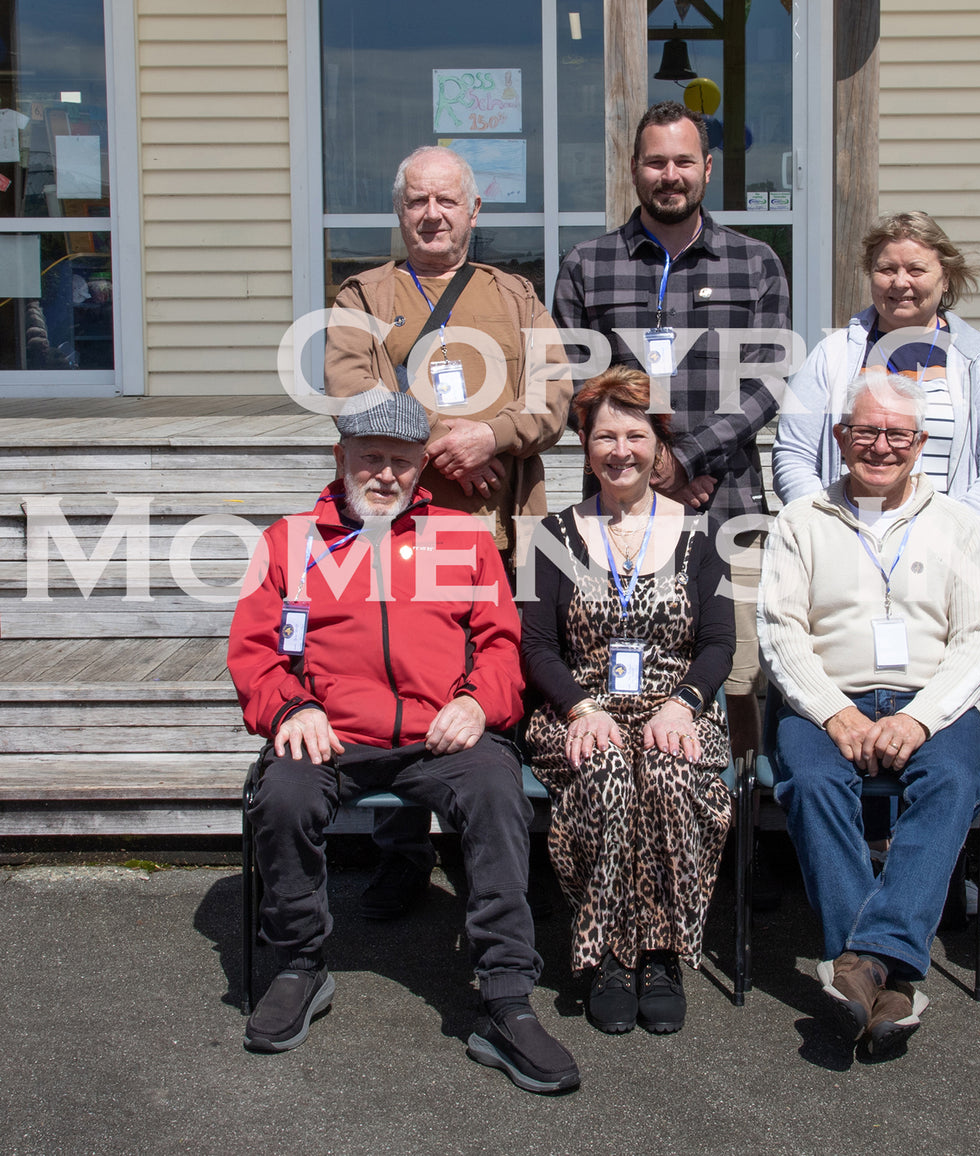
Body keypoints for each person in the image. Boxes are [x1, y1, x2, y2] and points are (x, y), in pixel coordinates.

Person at [228, 391, 579, 1095]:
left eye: (400, 462)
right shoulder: (289, 542)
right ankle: (298, 965)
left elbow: (500, 644)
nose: (385, 475)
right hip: (331, 730)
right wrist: (291, 706)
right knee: (284, 798)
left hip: (438, 732)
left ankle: (506, 997)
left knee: (494, 794)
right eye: (371, 459)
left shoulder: (462, 537)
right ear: (340, 459)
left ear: (422, 467)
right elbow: (255, 652)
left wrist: (480, 702)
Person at [325, 145, 572, 917]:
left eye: (447, 201)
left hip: (501, 538)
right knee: (399, 681)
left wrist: (492, 437)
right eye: (416, 202)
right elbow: (353, 392)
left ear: (473, 212)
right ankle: (399, 852)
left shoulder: (516, 298)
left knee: (498, 685)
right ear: (400, 212)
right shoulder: (362, 295)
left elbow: (555, 395)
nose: (431, 215)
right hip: (395, 540)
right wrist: (448, 445)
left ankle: (495, 849)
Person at [757, 373, 980, 1059]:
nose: (880, 446)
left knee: (954, 783)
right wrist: (834, 713)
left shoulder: (959, 526)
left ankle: (862, 963)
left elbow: (977, 641)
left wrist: (920, 719)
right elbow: (780, 632)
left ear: (921, 442)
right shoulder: (801, 520)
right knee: (809, 783)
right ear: (839, 437)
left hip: (929, 700)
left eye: (897, 434)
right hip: (822, 698)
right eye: (865, 431)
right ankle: (881, 975)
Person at [552, 100, 790, 760]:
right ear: (633, 170)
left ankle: (734, 824)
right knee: (618, 662)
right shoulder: (585, 266)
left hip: (728, 504)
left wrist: (687, 458)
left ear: (707, 168)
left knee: (737, 675)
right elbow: (576, 383)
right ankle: (626, 808)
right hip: (617, 510)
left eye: (683, 160)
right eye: (655, 161)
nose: (669, 174)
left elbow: (768, 380)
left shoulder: (756, 263)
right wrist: (654, 467)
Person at [520, 366, 734, 1036]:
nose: (620, 450)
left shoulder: (700, 532)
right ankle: (610, 954)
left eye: (634, 435)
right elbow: (534, 646)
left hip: (677, 706)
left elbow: (718, 643)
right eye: (604, 436)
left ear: (657, 446)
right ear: (584, 445)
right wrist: (582, 709)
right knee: (609, 774)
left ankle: (663, 951)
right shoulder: (552, 535)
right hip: (579, 710)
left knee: (669, 774)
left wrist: (684, 703)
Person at [772, 210, 980, 548]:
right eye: (886, 269)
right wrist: (832, 532)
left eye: (916, 269)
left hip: (949, 556)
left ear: (946, 278)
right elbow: (794, 456)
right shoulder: (831, 356)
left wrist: (950, 538)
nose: (900, 282)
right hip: (845, 551)